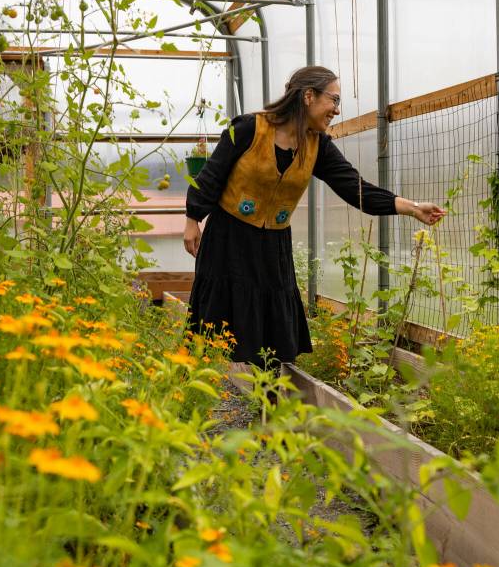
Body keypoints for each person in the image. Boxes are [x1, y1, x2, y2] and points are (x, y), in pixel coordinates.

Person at [183, 65, 445, 369]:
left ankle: (269, 406)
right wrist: (192, 219)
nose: (336, 109)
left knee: (271, 335)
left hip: (273, 246)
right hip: (228, 238)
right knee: (211, 324)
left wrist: (413, 207)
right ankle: (187, 393)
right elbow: (211, 175)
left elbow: (356, 188)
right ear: (309, 96)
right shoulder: (249, 129)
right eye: (333, 100)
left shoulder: (317, 146)